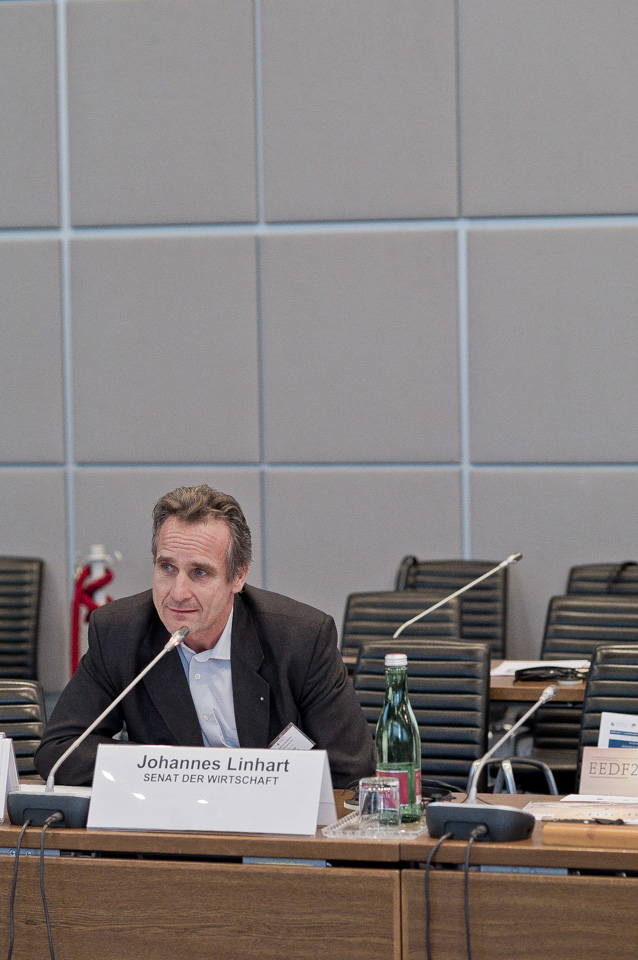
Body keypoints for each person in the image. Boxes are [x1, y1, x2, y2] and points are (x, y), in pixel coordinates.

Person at [35, 484, 374, 789]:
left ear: (237, 577)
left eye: (199, 572)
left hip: (273, 829)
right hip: (170, 828)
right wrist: (169, 770)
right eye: (167, 568)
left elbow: (351, 768)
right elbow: (60, 750)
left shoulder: (300, 639)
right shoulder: (119, 632)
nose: (177, 592)